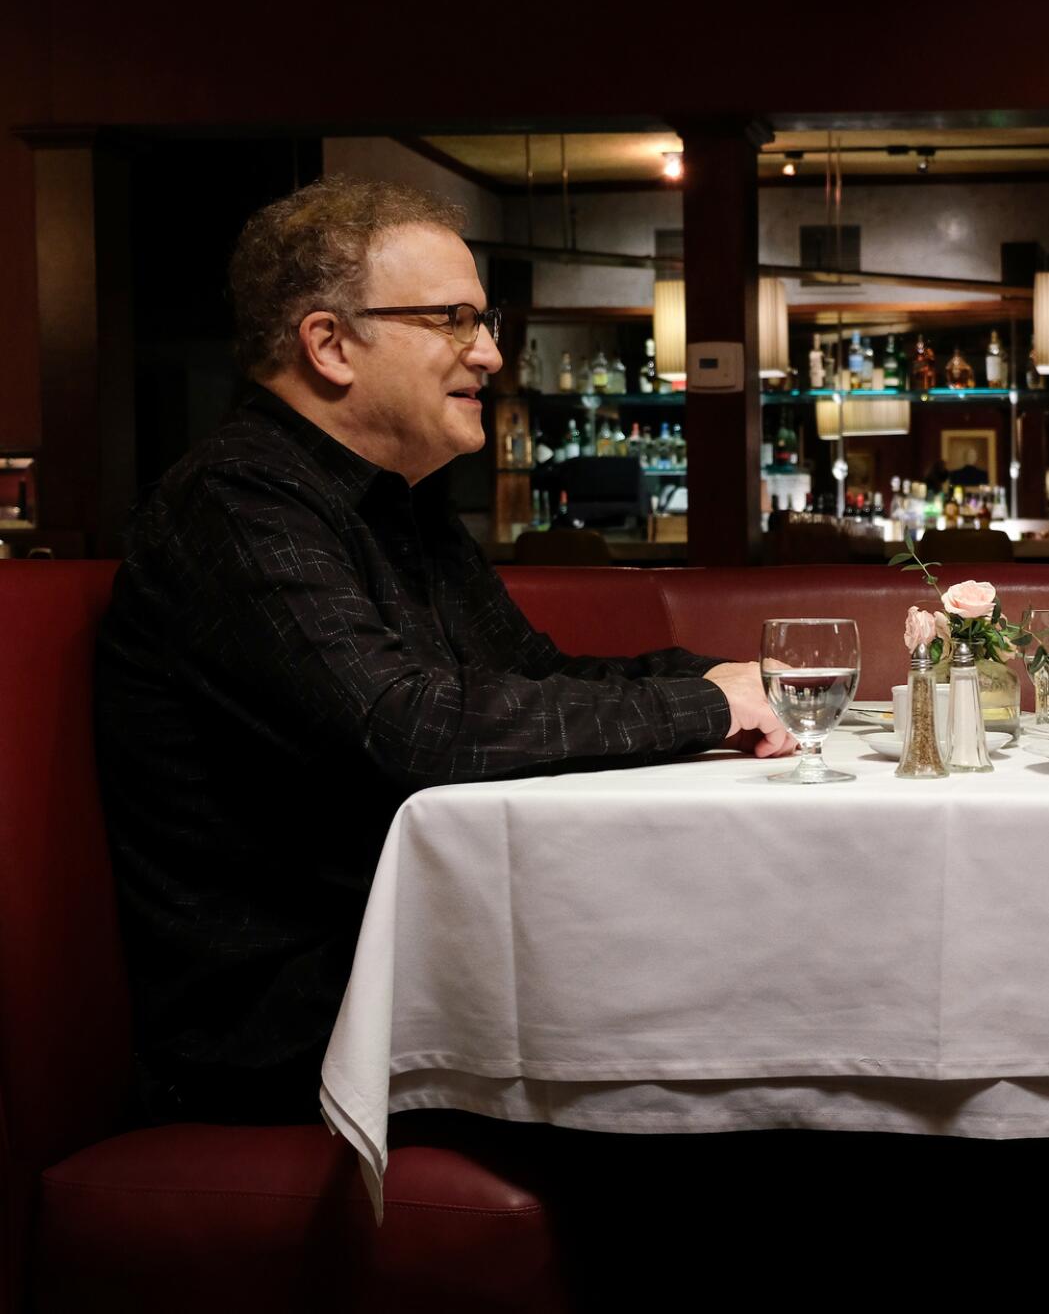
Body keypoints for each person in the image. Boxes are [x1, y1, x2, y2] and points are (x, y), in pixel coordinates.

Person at [95, 177, 795, 1125]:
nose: (492, 353)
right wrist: (702, 711)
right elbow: (406, 727)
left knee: (750, 1014)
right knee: (736, 1066)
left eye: (485, 318)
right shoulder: (235, 502)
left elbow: (527, 676)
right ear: (329, 345)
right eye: (453, 319)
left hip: (407, 971)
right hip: (284, 1029)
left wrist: (705, 675)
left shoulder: (397, 499)